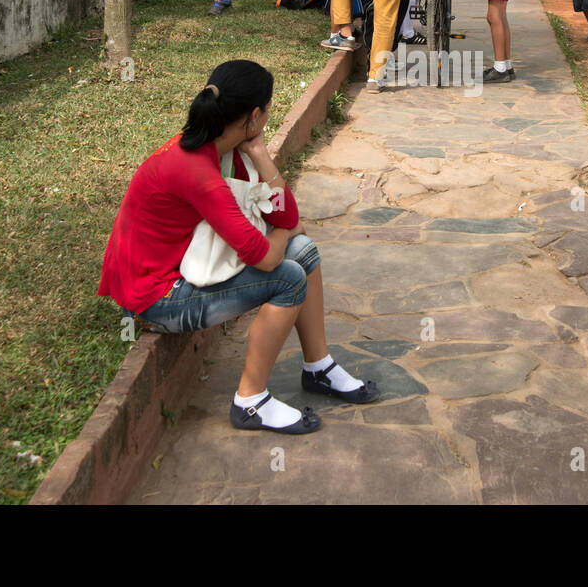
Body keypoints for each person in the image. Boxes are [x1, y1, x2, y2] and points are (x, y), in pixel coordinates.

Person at [99, 60, 379, 436]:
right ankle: (250, 401)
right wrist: (286, 229)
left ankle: (319, 367)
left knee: (304, 251)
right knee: (289, 277)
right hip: (155, 297)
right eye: (268, 109)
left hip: (176, 268)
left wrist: (262, 156)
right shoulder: (198, 170)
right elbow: (266, 256)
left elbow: (285, 212)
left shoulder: (221, 149)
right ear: (254, 115)